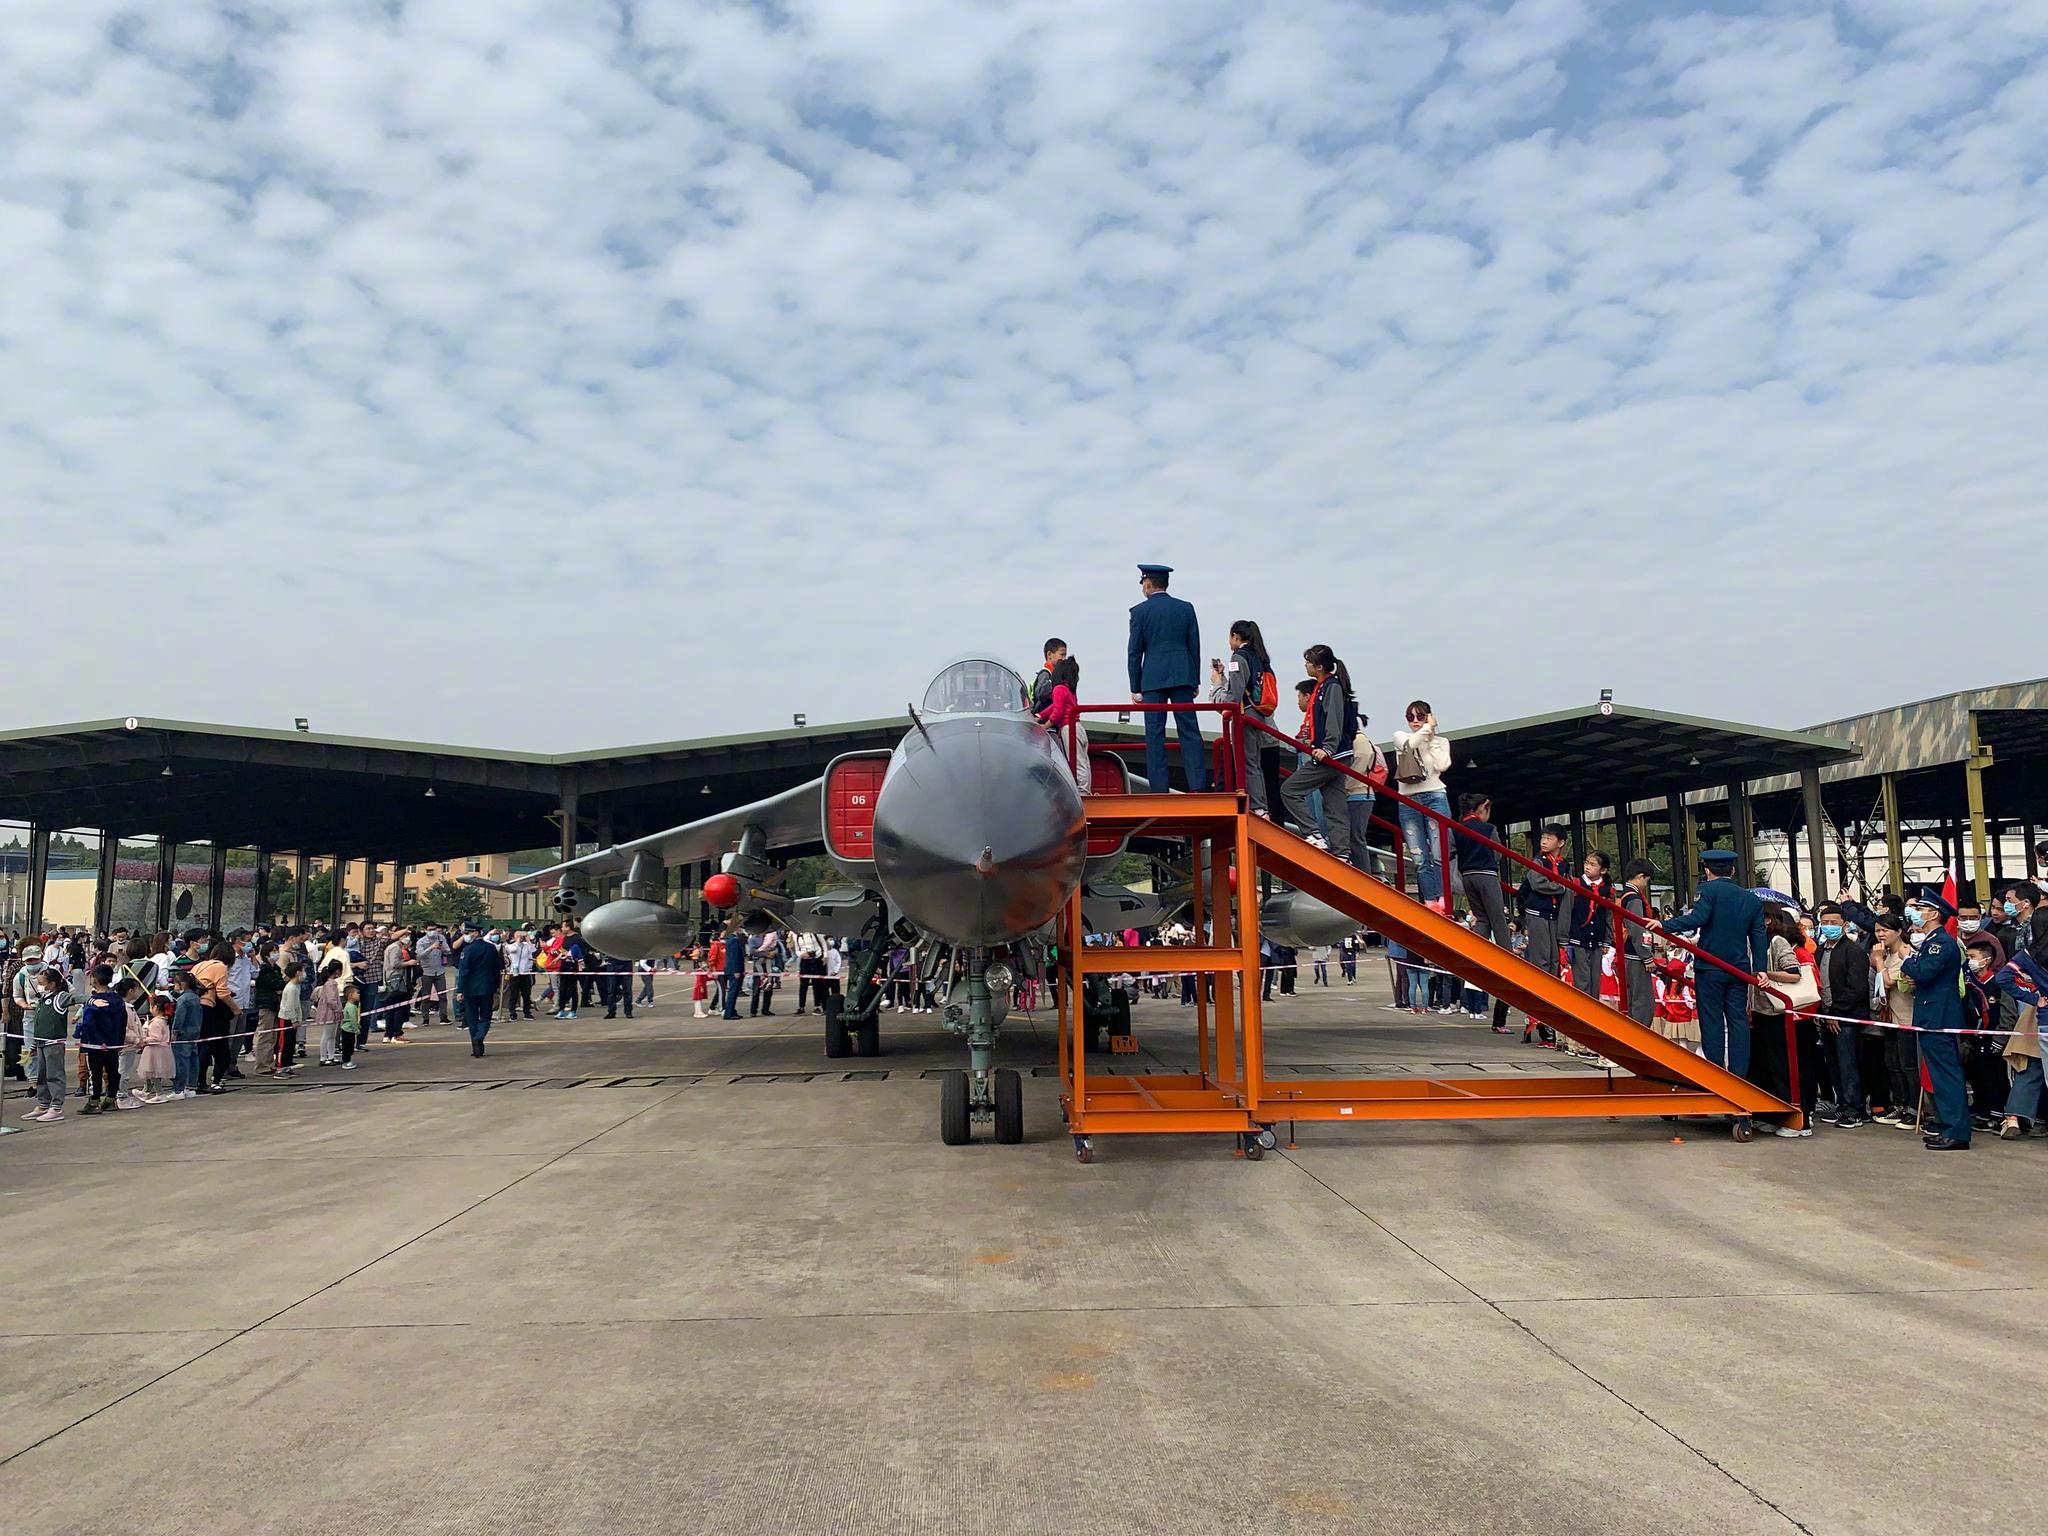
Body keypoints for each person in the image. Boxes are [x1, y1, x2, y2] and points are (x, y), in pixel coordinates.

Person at [1655, 847, 1769, 1138]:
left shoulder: (1707, 891)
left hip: (1710, 968)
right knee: (1738, 1022)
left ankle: (1716, 1074)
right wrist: (1760, 969)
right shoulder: (1751, 899)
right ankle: (1739, 1077)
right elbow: (1758, 936)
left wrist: (1664, 925)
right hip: (1738, 969)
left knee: (1712, 1021)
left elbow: (1698, 919)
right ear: (1733, 870)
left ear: (1707, 870)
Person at [1126, 563, 1208, 792]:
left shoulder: (1139, 612)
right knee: (1189, 730)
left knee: (1154, 733)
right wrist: (1195, 679)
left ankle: (1159, 788)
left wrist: (1135, 687)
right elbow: (1194, 646)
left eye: (1143, 583)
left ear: (1148, 584)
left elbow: (1134, 652)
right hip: (1183, 674)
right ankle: (1197, 785)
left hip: (1152, 679)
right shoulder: (1186, 608)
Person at [1901, 884, 1969, 1149]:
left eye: (1921, 909)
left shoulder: (1941, 943)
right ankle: (1947, 1126)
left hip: (1940, 1016)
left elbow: (1924, 972)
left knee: (1947, 1075)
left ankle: (1957, 1131)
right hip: (1931, 1014)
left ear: (1933, 914)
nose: (1917, 913)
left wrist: (1907, 960)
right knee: (1940, 1076)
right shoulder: (1932, 942)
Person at [1280, 645, 1356, 863]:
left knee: (1289, 790)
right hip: (1335, 755)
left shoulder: (1331, 687)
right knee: (1335, 805)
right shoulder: (1323, 687)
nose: (1306, 666)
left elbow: (1334, 719)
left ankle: (1313, 833)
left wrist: (1328, 748)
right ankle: (1342, 852)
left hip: (1331, 755)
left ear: (1319, 667)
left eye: (1308, 662)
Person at [1746, 905, 1811, 1137]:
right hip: (1760, 1012)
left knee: (1781, 1066)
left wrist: (1765, 975)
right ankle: (1771, 1115)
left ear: (1767, 920)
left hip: (1777, 1013)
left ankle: (1795, 1119)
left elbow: (1794, 973)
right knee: (1763, 1066)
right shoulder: (1754, 943)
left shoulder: (1777, 942)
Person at [1454, 795, 1512, 1031]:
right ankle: (1507, 955)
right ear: (1482, 809)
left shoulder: (1457, 827)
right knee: (1497, 917)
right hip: (1487, 875)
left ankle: (1477, 948)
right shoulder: (1488, 829)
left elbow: (1451, 851)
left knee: (1482, 917)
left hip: (1467, 876)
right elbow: (1497, 853)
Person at [1390, 702, 1453, 905]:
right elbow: (1409, 745)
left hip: (1435, 796)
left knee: (1439, 853)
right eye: (1411, 717)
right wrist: (1428, 728)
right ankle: (1430, 900)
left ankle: (1443, 899)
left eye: (1421, 716)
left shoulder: (1441, 741)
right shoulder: (1401, 736)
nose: (1415, 721)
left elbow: (1442, 765)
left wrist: (1431, 739)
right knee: (1419, 857)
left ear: (1429, 716)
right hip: (1408, 800)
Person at [1515, 826, 1572, 1045]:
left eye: (1550, 838)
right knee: (1542, 961)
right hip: (1538, 913)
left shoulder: (1564, 864)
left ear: (1561, 842)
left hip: (1555, 915)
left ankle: (1549, 1015)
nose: (1544, 841)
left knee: (1554, 962)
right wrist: (1562, 888)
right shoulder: (1538, 861)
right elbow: (1538, 884)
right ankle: (1538, 1018)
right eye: (1543, 837)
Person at [1214, 620, 1275, 817]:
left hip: (1244, 713)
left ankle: (1257, 807)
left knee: (1247, 762)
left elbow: (1236, 691)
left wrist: (1222, 699)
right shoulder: (1259, 656)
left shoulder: (1238, 657)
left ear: (1236, 636)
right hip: (1259, 713)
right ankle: (1261, 805)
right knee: (1254, 762)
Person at [1566, 849, 1614, 1001]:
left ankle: (1593, 1009)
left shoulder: (1608, 890)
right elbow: (1567, 911)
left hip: (1597, 940)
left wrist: (1607, 940)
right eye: (1587, 863)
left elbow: (1608, 917)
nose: (1587, 867)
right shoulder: (1576, 884)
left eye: (1593, 865)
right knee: (1582, 981)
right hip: (1578, 938)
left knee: (1595, 981)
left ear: (1603, 870)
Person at [25, 964, 69, 1122]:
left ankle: (56, 1107)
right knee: (41, 1075)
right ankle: (43, 1104)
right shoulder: (42, 999)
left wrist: (91, 1000)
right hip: (41, 1043)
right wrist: (33, 1044)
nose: (39, 986)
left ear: (52, 984)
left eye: (41, 983)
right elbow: (38, 1024)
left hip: (54, 1043)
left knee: (54, 1075)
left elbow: (76, 998)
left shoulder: (60, 997)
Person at [1616, 859, 1657, 1030]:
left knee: (1633, 997)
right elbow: (1637, 928)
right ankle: (1640, 1033)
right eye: (1646, 880)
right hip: (1636, 954)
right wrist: (1647, 956)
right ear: (1640, 876)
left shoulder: (1625, 895)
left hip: (1628, 951)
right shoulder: (1634, 898)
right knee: (1642, 1000)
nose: (1646, 885)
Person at [455, 922, 504, 1056]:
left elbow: (463, 971)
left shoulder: (467, 950)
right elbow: (497, 969)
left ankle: (476, 1044)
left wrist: (460, 990)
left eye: (468, 933)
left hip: (470, 988)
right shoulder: (491, 948)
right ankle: (479, 1039)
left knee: (472, 1018)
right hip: (487, 987)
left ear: (475, 933)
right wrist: (496, 986)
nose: (466, 936)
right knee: (485, 1016)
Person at [172, 969, 207, 1097]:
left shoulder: (182, 1000)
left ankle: (179, 1089)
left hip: (183, 1032)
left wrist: (174, 1031)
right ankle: (191, 1086)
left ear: (181, 984)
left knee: (181, 1060)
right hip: (195, 1030)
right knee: (193, 1058)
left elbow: (179, 1017)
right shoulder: (195, 997)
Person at [314, 960, 346, 1067]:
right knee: (327, 1035)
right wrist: (338, 1009)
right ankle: (323, 1057)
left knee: (332, 1036)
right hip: (330, 1013)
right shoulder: (330, 984)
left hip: (332, 1013)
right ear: (337, 971)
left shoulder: (330, 983)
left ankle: (331, 1056)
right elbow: (331, 1000)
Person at [1030, 638, 1068, 720]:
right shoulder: (1045, 674)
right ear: (1049, 654)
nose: (1064, 659)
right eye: (1062, 655)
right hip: (1042, 719)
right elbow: (1041, 694)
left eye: (1065, 655)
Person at [719, 921, 746, 1020]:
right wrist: (736, 970)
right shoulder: (733, 940)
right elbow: (733, 956)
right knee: (733, 992)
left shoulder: (731, 939)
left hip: (732, 968)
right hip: (734, 969)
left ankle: (731, 1011)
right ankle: (729, 1013)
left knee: (734, 991)